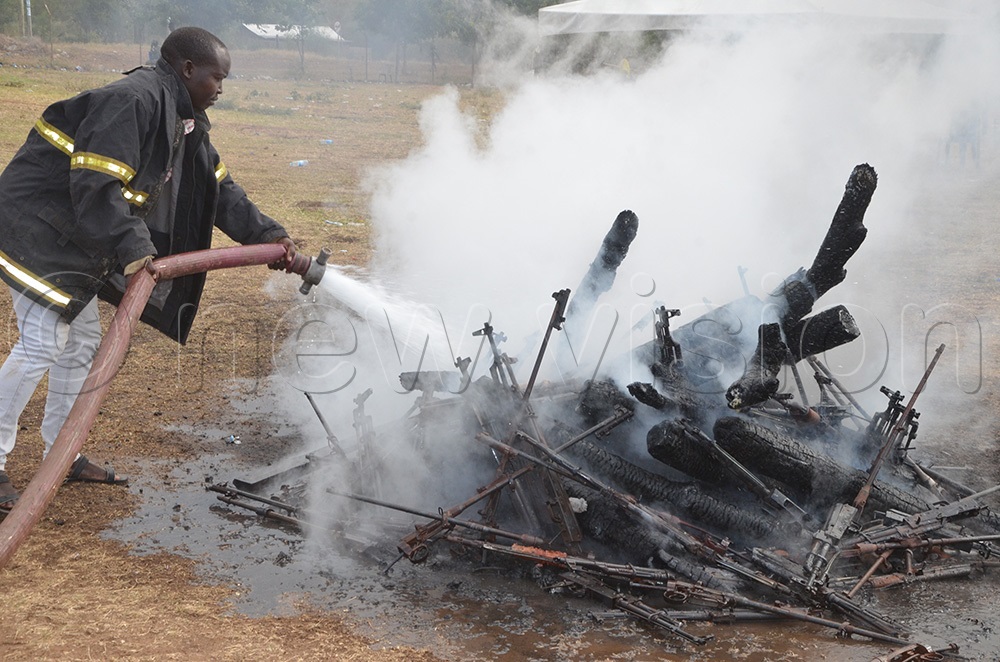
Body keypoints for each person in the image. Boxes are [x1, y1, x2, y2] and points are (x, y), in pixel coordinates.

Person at [0, 26, 297, 510]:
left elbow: (218, 189)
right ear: (187, 69)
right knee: (42, 344)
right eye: (216, 78)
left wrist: (268, 235)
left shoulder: (185, 118)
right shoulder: (133, 101)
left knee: (82, 344)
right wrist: (137, 248)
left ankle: (63, 451)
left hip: (72, 238)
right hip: (38, 228)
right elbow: (96, 185)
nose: (220, 89)